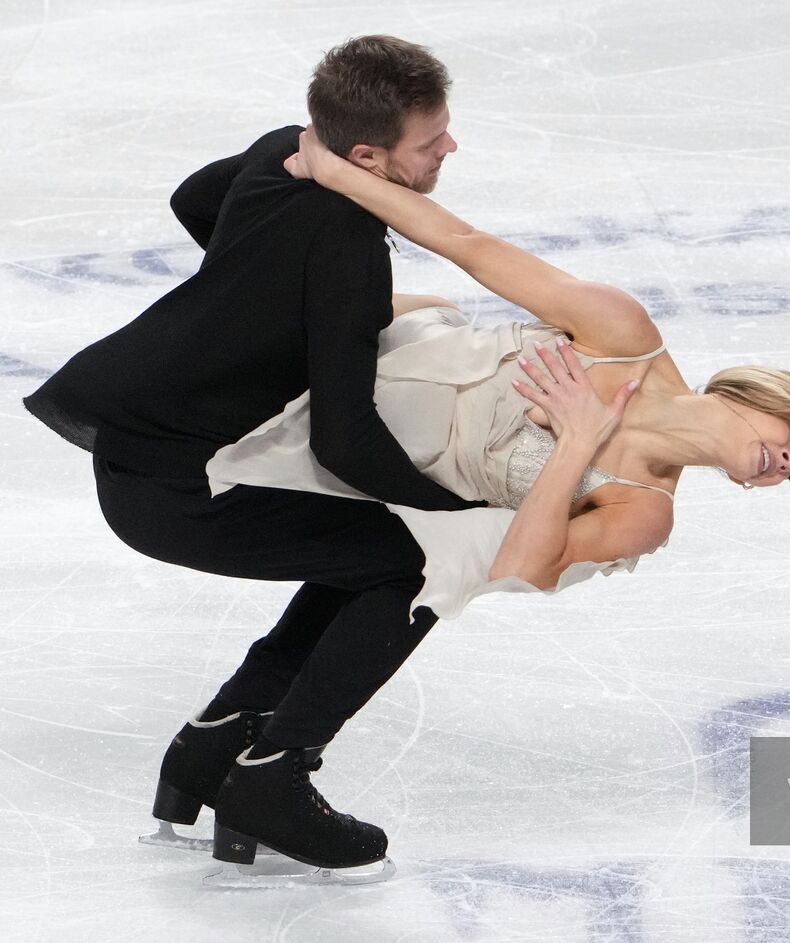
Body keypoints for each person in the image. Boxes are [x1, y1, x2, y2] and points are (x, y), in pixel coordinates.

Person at [22, 36, 471, 877]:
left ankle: (215, 745)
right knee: (416, 562)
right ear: (366, 155)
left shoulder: (285, 150)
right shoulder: (344, 253)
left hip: (140, 452)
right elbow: (347, 441)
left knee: (367, 550)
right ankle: (275, 772)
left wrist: (256, 296)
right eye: (430, 140)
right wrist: (460, 518)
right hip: (180, 492)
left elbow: (195, 198)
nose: (449, 147)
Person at [203, 126, 790, 631]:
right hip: (375, 349)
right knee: (297, 272)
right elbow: (469, 244)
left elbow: (522, 569)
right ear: (760, 396)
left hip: (361, 450)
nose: (789, 463)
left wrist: (576, 443)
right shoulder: (624, 334)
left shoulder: (643, 511)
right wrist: (338, 174)